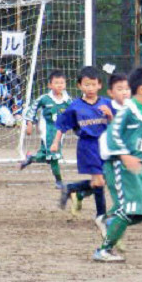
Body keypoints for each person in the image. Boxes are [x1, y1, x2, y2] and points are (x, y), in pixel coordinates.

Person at [93, 67, 142, 263]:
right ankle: (103, 250)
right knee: (128, 207)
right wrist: (124, 155)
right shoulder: (128, 110)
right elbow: (112, 133)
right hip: (120, 165)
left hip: (138, 168)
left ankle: (111, 223)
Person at [52, 66, 112, 236]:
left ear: (99, 85)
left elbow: (116, 124)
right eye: (86, 85)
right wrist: (55, 143)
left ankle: (71, 188)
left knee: (102, 180)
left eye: (93, 85)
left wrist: (110, 115)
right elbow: (62, 126)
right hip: (88, 146)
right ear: (79, 86)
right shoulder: (75, 106)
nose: (90, 88)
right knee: (99, 181)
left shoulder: (107, 103)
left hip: (106, 146)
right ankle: (101, 215)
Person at [19, 70, 71, 189]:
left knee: (46, 154)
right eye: (56, 83)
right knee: (53, 155)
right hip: (47, 130)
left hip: (59, 131)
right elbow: (32, 108)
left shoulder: (67, 100)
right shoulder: (45, 98)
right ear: (50, 85)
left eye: (62, 83)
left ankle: (31, 158)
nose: (59, 85)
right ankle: (59, 181)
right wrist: (30, 122)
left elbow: (74, 112)